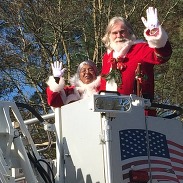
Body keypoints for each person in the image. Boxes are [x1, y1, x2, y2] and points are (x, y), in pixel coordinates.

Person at [100, 7, 172, 104]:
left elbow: (162, 56)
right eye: (114, 33)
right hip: (109, 113)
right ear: (109, 36)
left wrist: (156, 35)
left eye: (122, 32)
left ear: (129, 33)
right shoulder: (107, 57)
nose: (118, 36)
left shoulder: (140, 48)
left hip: (139, 112)